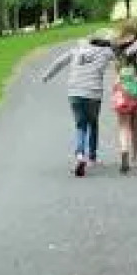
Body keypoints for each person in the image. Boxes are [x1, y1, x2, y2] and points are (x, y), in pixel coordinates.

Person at [41, 29, 114, 177]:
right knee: (93, 123)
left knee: (80, 125)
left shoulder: (77, 50)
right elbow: (121, 55)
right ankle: (92, 157)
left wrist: (47, 76)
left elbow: (59, 62)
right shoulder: (106, 52)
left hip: (74, 92)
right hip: (93, 93)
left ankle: (80, 155)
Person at [109, 19, 137, 171]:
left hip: (121, 85)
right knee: (135, 124)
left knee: (122, 125)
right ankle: (136, 157)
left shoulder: (116, 47)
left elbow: (109, 39)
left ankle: (124, 151)